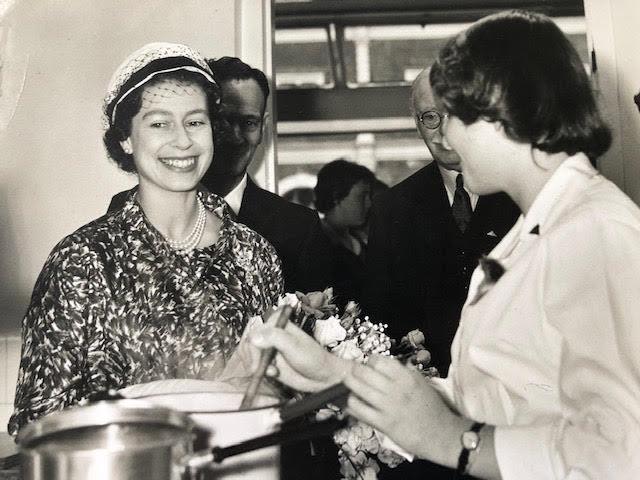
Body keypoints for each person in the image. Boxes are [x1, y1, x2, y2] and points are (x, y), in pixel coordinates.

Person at [251, 10, 640, 480]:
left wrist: (452, 443)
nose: (445, 134)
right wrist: (339, 377)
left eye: (454, 113)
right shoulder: (545, 227)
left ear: (505, 110)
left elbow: (621, 454)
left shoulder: (594, 230)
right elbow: (496, 402)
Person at [8, 43, 283, 435]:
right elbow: (37, 424)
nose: (183, 141)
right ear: (125, 139)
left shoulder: (255, 255)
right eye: (159, 123)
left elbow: (264, 401)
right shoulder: (82, 261)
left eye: (195, 122)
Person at [362, 68, 519, 378]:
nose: (443, 132)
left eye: (454, 114)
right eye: (430, 117)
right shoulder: (391, 209)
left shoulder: (520, 192)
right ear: (417, 125)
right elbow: (379, 317)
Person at [201, 56, 332, 294]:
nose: (236, 137)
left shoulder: (299, 227)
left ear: (264, 127)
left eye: (249, 122)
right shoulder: (138, 209)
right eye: (224, 121)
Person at [314, 159, 375, 307]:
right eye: (362, 196)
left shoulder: (360, 241)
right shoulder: (317, 243)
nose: (369, 203)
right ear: (337, 196)